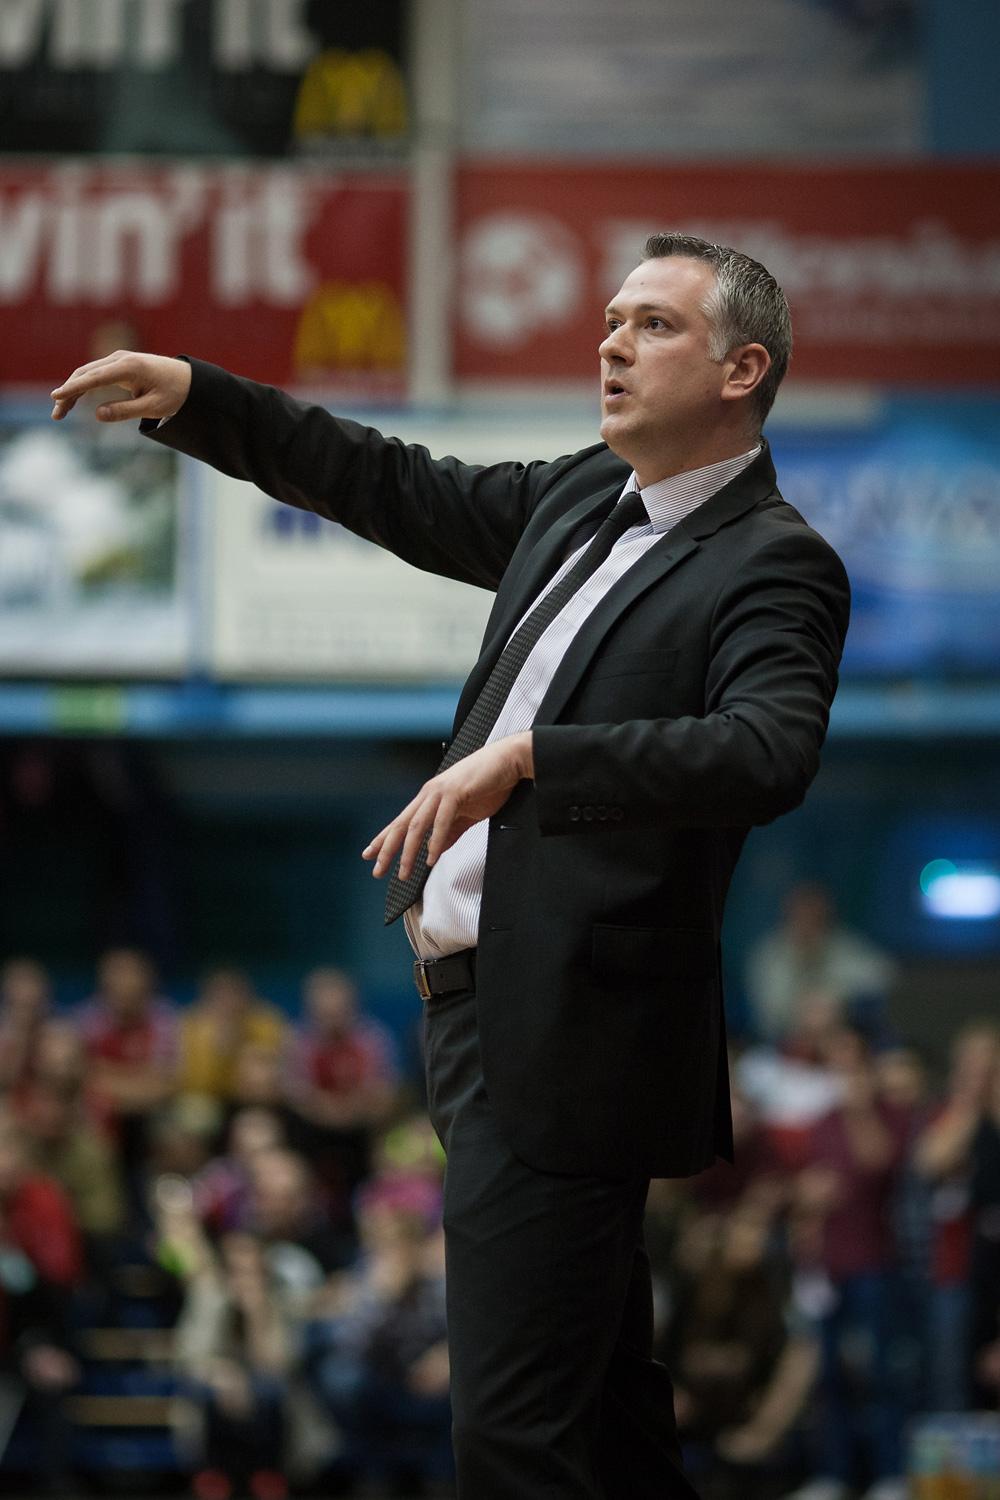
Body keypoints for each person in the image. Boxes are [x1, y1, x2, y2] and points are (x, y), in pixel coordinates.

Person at [51, 231, 851, 1499]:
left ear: (741, 369)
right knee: (601, 1423)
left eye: (652, 325)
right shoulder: (583, 495)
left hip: (572, 1036)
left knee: (514, 1441)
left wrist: (533, 759)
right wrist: (204, 399)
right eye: (610, 319)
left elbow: (767, 750)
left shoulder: (773, 560)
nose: (611, 344)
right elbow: (393, 483)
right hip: (483, 1016)